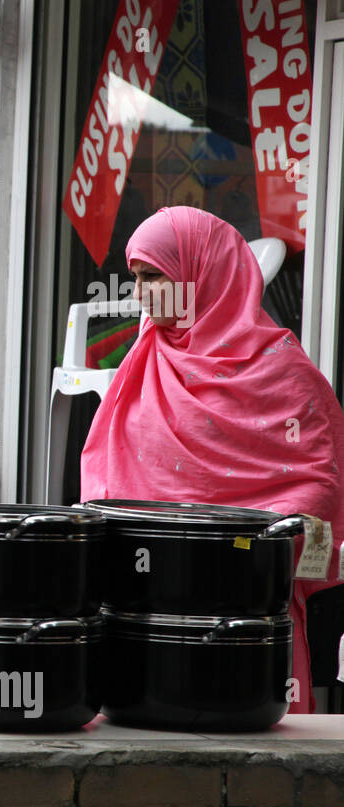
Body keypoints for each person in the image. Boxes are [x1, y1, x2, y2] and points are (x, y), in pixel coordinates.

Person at [81, 206, 344, 714]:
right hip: (148, 604)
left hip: (243, 605)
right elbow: (111, 478)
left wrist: (239, 546)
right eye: (135, 278)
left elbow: (320, 482)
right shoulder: (144, 361)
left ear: (203, 274)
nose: (140, 294)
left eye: (153, 276)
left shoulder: (283, 372)